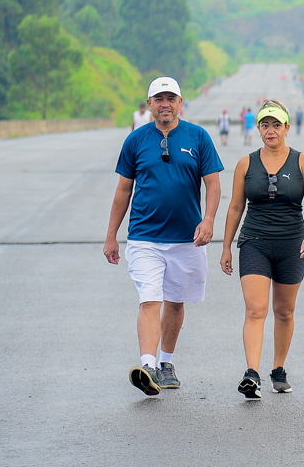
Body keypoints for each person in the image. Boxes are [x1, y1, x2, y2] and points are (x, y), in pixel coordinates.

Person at [103, 76, 223, 396]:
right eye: (158, 99)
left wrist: (208, 220)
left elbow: (213, 184)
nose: (165, 104)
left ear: (180, 103)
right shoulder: (136, 140)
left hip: (187, 238)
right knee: (149, 298)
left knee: (175, 301)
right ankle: (148, 364)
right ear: (149, 105)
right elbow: (123, 190)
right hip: (144, 236)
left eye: (171, 98)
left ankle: (166, 362)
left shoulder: (198, 137)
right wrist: (111, 236)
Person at [220, 99, 304, 399]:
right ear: (258, 128)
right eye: (265, 124)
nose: (271, 130)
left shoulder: (302, 162)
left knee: (284, 311)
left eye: (277, 124)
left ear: (287, 127)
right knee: (256, 309)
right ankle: (252, 373)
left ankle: (278, 369)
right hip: (255, 242)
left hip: (292, 244)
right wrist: (226, 246)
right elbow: (236, 206)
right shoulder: (245, 163)